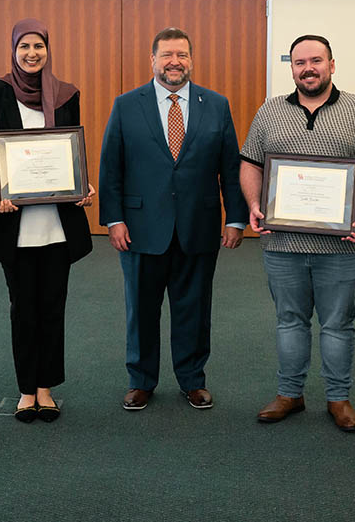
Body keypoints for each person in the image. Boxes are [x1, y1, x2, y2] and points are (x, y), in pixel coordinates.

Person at [239, 35, 355, 430]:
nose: (308, 68)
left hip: (342, 245)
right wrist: (254, 204)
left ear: (332, 64)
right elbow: (251, 163)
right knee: (289, 319)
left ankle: (339, 399)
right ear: (292, 68)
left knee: (337, 322)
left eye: (316, 60)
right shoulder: (270, 112)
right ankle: (290, 393)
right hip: (282, 243)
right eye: (300, 61)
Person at [98, 27, 247, 411]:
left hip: (198, 226)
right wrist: (113, 219)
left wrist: (236, 219)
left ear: (191, 60)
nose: (174, 62)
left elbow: (230, 168)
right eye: (166, 55)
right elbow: (111, 168)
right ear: (152, 60)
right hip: (141, 229)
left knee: (194, 310)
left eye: (181, 54)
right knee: (141, 310)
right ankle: (141, 381)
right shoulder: (127, 104)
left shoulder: (216, 104)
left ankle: (192, 381)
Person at [0, 19, 93, 423]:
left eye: (38, 45)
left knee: (53, 306)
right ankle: (27, 390)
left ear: (47, 48)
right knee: (23, 307)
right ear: (14, 49)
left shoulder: (65, 94)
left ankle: (47, 388)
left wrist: (82, 185)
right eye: (24, 46)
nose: (32, 53)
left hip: (56, 223)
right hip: (14, 224)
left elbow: (73, 148)